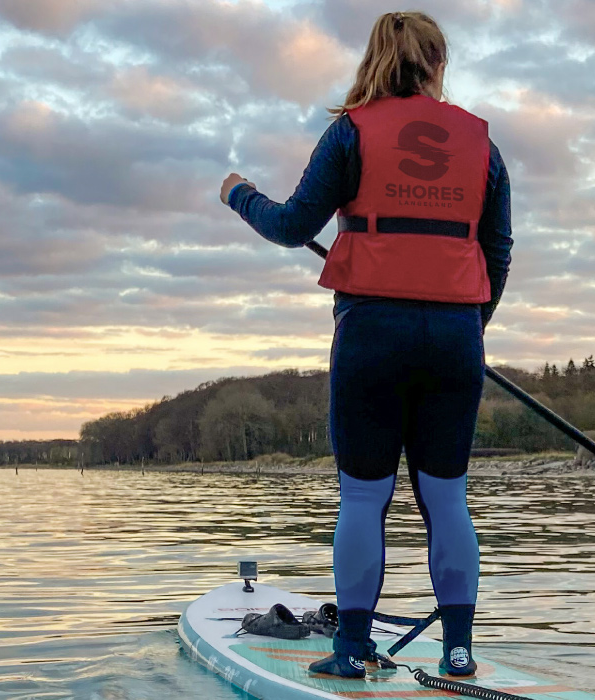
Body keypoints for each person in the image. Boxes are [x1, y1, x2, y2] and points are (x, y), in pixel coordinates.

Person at [218, 10, 511, 679]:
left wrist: (240, 195)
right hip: (454, 338)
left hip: (371, 333)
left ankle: (350, 650)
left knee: (362, 497)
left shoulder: (350, 132)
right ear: (438, 65)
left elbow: (293, 226)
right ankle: (459, 651)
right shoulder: (483, 145)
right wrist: (470, 326)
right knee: (446, 498)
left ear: (375, 60)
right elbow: (497, 252)